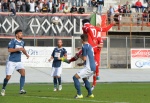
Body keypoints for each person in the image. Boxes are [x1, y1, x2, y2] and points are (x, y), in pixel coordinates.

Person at [63, 19, 113, 91]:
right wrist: (112, 24)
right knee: (90, 63)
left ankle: (94, 83)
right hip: (93, 47)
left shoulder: (86, 28)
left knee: (91, 62)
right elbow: (105, 29)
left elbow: (89, 32)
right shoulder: (95, 28)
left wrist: (93, 39)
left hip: (94, 49)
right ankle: (90, 80)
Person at [1, 29, 29, 96]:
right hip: (11, 61)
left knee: (23, 72)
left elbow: (23, 49)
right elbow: (9, 49)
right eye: (20, 33)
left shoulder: (22, 42)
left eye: (22, 33)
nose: (21, 34)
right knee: (8, 77)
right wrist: (18, 49)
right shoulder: (13, 41)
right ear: (16, 35)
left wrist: (26, 54)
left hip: (18, 61)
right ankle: (3, 89)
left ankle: (21, 89)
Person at [73, 34, 95, 99]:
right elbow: (89, 58)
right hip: (93, 67)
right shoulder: (90, 46)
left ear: (82, 40)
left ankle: (79, 94)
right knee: (84, 78)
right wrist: (82, 64)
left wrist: (78, 55)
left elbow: (84, 58)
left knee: (75, 77)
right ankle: (90, 94)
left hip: (88, 67)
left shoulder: (84, 46)